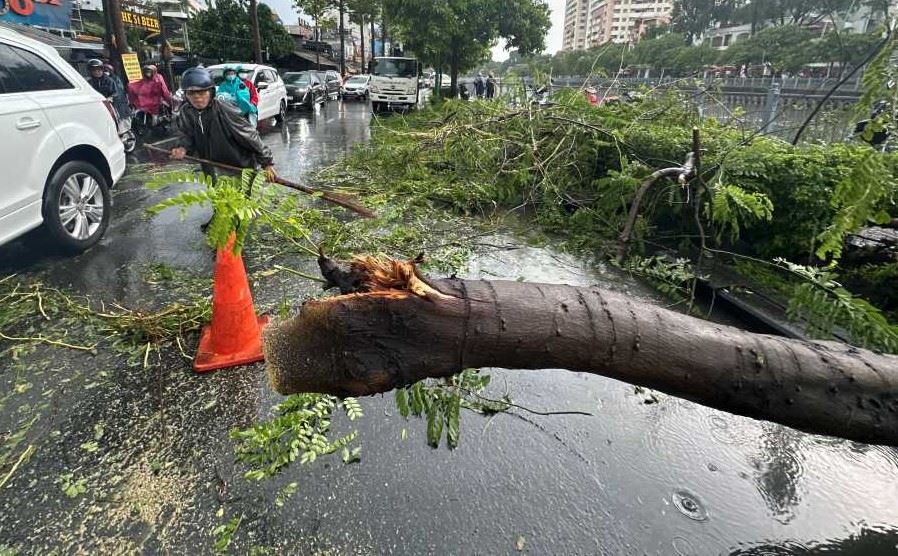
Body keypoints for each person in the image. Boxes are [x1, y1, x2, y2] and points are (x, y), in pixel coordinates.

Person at [170, 66, 275, 182]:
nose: (197, 98)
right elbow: (186, 134)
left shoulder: (224, 108)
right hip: (210, 167)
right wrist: (182, 148)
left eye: (201, 92)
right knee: (218, 198)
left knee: (239, 199)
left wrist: (267, 163)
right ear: (186, 95)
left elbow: (249, 134)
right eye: (191, 93)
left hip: (238, 168)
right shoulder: (187, 111)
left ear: (211, 92)